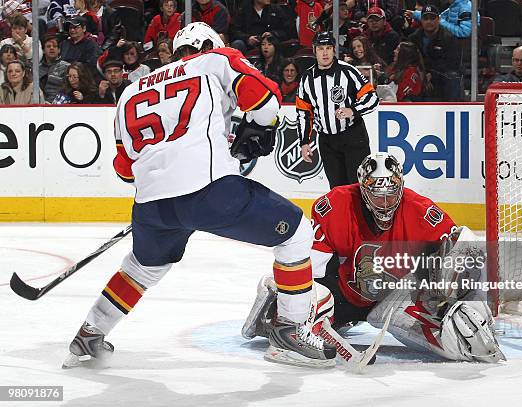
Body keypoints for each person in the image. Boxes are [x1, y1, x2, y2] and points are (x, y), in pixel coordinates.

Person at [63, 22, 336, 369]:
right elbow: (266, 100)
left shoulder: (130, 92)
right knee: (297, 233)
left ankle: (91, 331)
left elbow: (124, 169)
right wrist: (261, 126)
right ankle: (291, 331)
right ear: (209, 44)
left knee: (143, 268)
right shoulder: (215, 60)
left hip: (151, 205)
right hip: (210, 193)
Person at [242, 152, 506, 363]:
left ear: (401, 187)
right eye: (377, 196)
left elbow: (466, 249)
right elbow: (311, 265)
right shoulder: (336, 205)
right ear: (362, 189)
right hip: (346, 294)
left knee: (457, 337)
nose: (385, 203)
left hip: (393, 300)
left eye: (391, 195)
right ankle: (277, 305)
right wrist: (299, 299)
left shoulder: (421, 211)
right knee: (297, 310)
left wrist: (469, 301)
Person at [298, 31, 379, 189]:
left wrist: (352, 110)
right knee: (337, 190)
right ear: (314, 50)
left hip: (353, 137)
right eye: (321, 48)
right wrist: (304, 142)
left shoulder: (348, 71)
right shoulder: (307, 79)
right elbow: (303, 112)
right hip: (327, 142)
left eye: (329, 47)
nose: (325, 52)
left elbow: (372, 98)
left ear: (334, 50)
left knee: (359, 188)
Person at [407, 5, 463, 101]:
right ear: (421, 20)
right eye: (425, 18)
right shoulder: (413, 38)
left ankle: (453, 108)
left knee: (452, 76)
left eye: (432, 18)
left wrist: (432, 74)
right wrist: (422, 73)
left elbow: (453, 63)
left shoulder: (449, 38)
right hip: (420, 73)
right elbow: (410, 59)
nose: (429, 22)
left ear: (438, 19)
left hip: (441, 74)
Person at [39, 34, 71, 102]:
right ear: (43, 51)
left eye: (54, 46)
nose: (52, 48)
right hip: (39, 104)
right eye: (48, 46)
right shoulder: (37, 68)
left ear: (59, 50)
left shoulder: (67, 67)